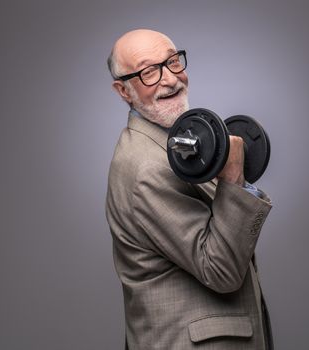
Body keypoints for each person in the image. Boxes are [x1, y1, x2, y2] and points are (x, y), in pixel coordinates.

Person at [106, 29, 273, 350]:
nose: (170, 79)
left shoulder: (174, 144)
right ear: (123, 90)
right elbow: (220, 270)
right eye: (149, 72)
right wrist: (233, 177)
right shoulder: (145, 167)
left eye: (172, 62)